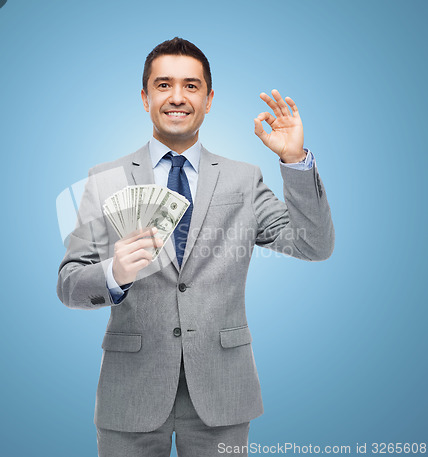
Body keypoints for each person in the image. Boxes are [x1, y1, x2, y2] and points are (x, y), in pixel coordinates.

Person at [57, 37, 334, 457]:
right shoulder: (105, 178)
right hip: (130, 392)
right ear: (145, 97)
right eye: (164, 84)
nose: (177, 97)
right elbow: (69, 284)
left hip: (222, 391)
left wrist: (294, 162)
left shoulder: (243, 179)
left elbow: (314, 245)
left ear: (208, 100)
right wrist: (115, 273)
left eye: (191, 86)